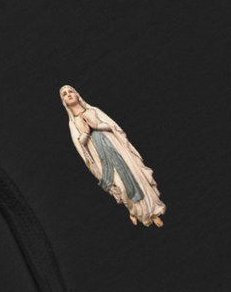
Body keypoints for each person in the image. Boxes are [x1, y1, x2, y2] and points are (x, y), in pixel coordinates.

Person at [60, 85, 165, 226]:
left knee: (135, 177)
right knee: (121, 186)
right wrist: (86, 132)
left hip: (116, 148)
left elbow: (112, 126)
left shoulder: (93, 110)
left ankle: (152, 212)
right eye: (65, 94)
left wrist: (96, 126)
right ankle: (135, 211)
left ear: (77, 94)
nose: (69, 94)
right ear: (64, 102)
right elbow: (80, 145)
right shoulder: (72, 123)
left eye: (71, 91)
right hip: (102, 158)